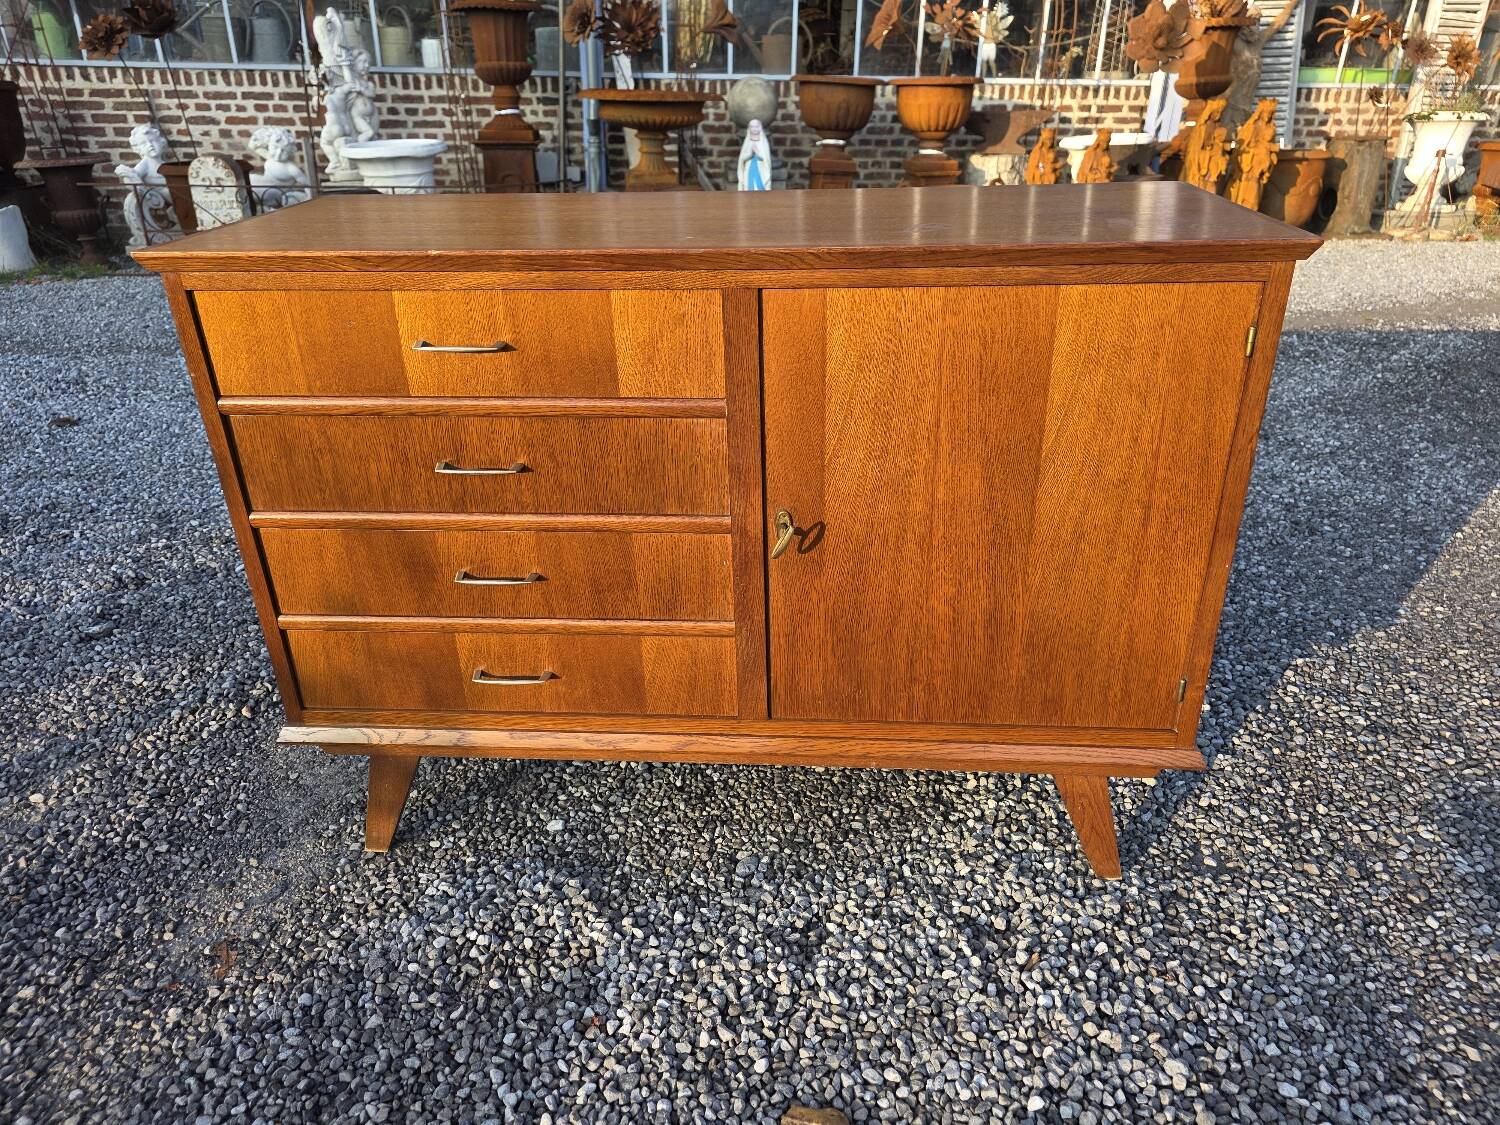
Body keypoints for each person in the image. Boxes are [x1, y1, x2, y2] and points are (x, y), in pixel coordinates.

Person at [737, 119, 771, 191]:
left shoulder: (763, 142)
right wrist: (750, 153)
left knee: (759, 187)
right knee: (749, 186)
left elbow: (766, 158)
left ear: (760, 128)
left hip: (760, 169)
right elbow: (742, 159)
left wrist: (758, 153)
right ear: (749, 128)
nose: (754, 128)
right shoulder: (747, 141)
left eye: (756, 126)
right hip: (749, 169)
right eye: (752, 127)